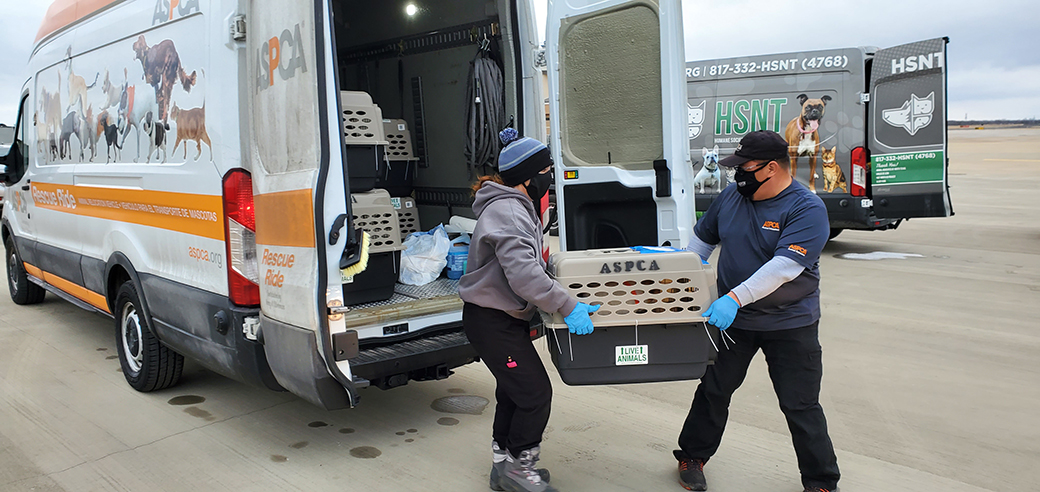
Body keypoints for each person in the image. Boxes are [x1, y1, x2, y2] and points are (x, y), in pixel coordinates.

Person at [674, 131, 840, 492]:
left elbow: (784, 267)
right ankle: (692, 455)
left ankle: (821, 481)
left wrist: (733, 298)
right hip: (736, 322)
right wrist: (680, 283)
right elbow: (702, 242)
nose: (737, 176)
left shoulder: (805, 208)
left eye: (744, 168)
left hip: (790, 322)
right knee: (714, 390)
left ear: (771, 168)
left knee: (800, 405)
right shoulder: (733, 196)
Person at [459, 128, 599, 492]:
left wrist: (571, 295)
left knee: (513, 391)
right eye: (547, 170)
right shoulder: (508, 210)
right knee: (535, 394)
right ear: (529, 176)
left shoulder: (515, 206)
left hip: (501, 317)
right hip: (492, 321)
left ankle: (504, 467)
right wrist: (568, 306)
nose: (550, 177)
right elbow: (523, 276)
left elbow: (531, 268)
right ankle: (521, 470)